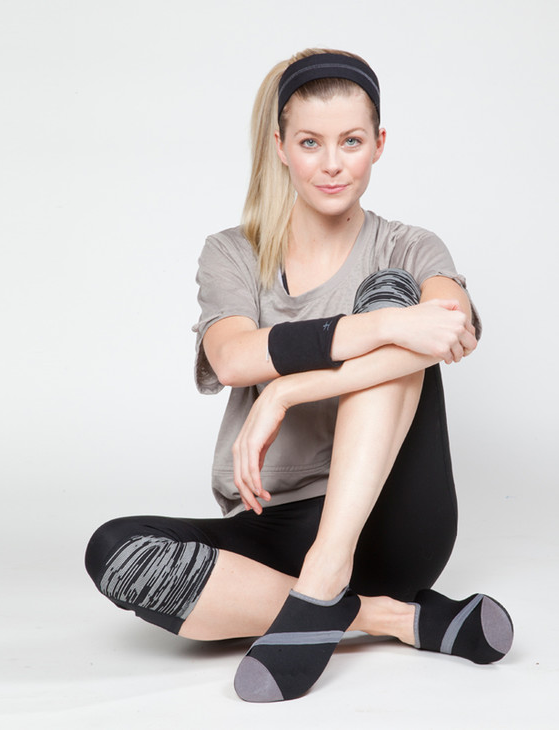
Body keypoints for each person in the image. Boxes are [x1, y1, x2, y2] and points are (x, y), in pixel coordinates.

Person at [85, 48, 513, 703]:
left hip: (392, 522)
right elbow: (233, 358)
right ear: (280, 147)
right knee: (116, 550)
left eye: (351, 141)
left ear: (379, 145)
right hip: (278, 526)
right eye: (311, 142)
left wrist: (292, 388)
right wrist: (386, 329)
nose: (332, 163)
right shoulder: (233, 252)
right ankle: (387, 617)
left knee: (393, 292)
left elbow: (451, 329)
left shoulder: (407, 246)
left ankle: (326, 577)